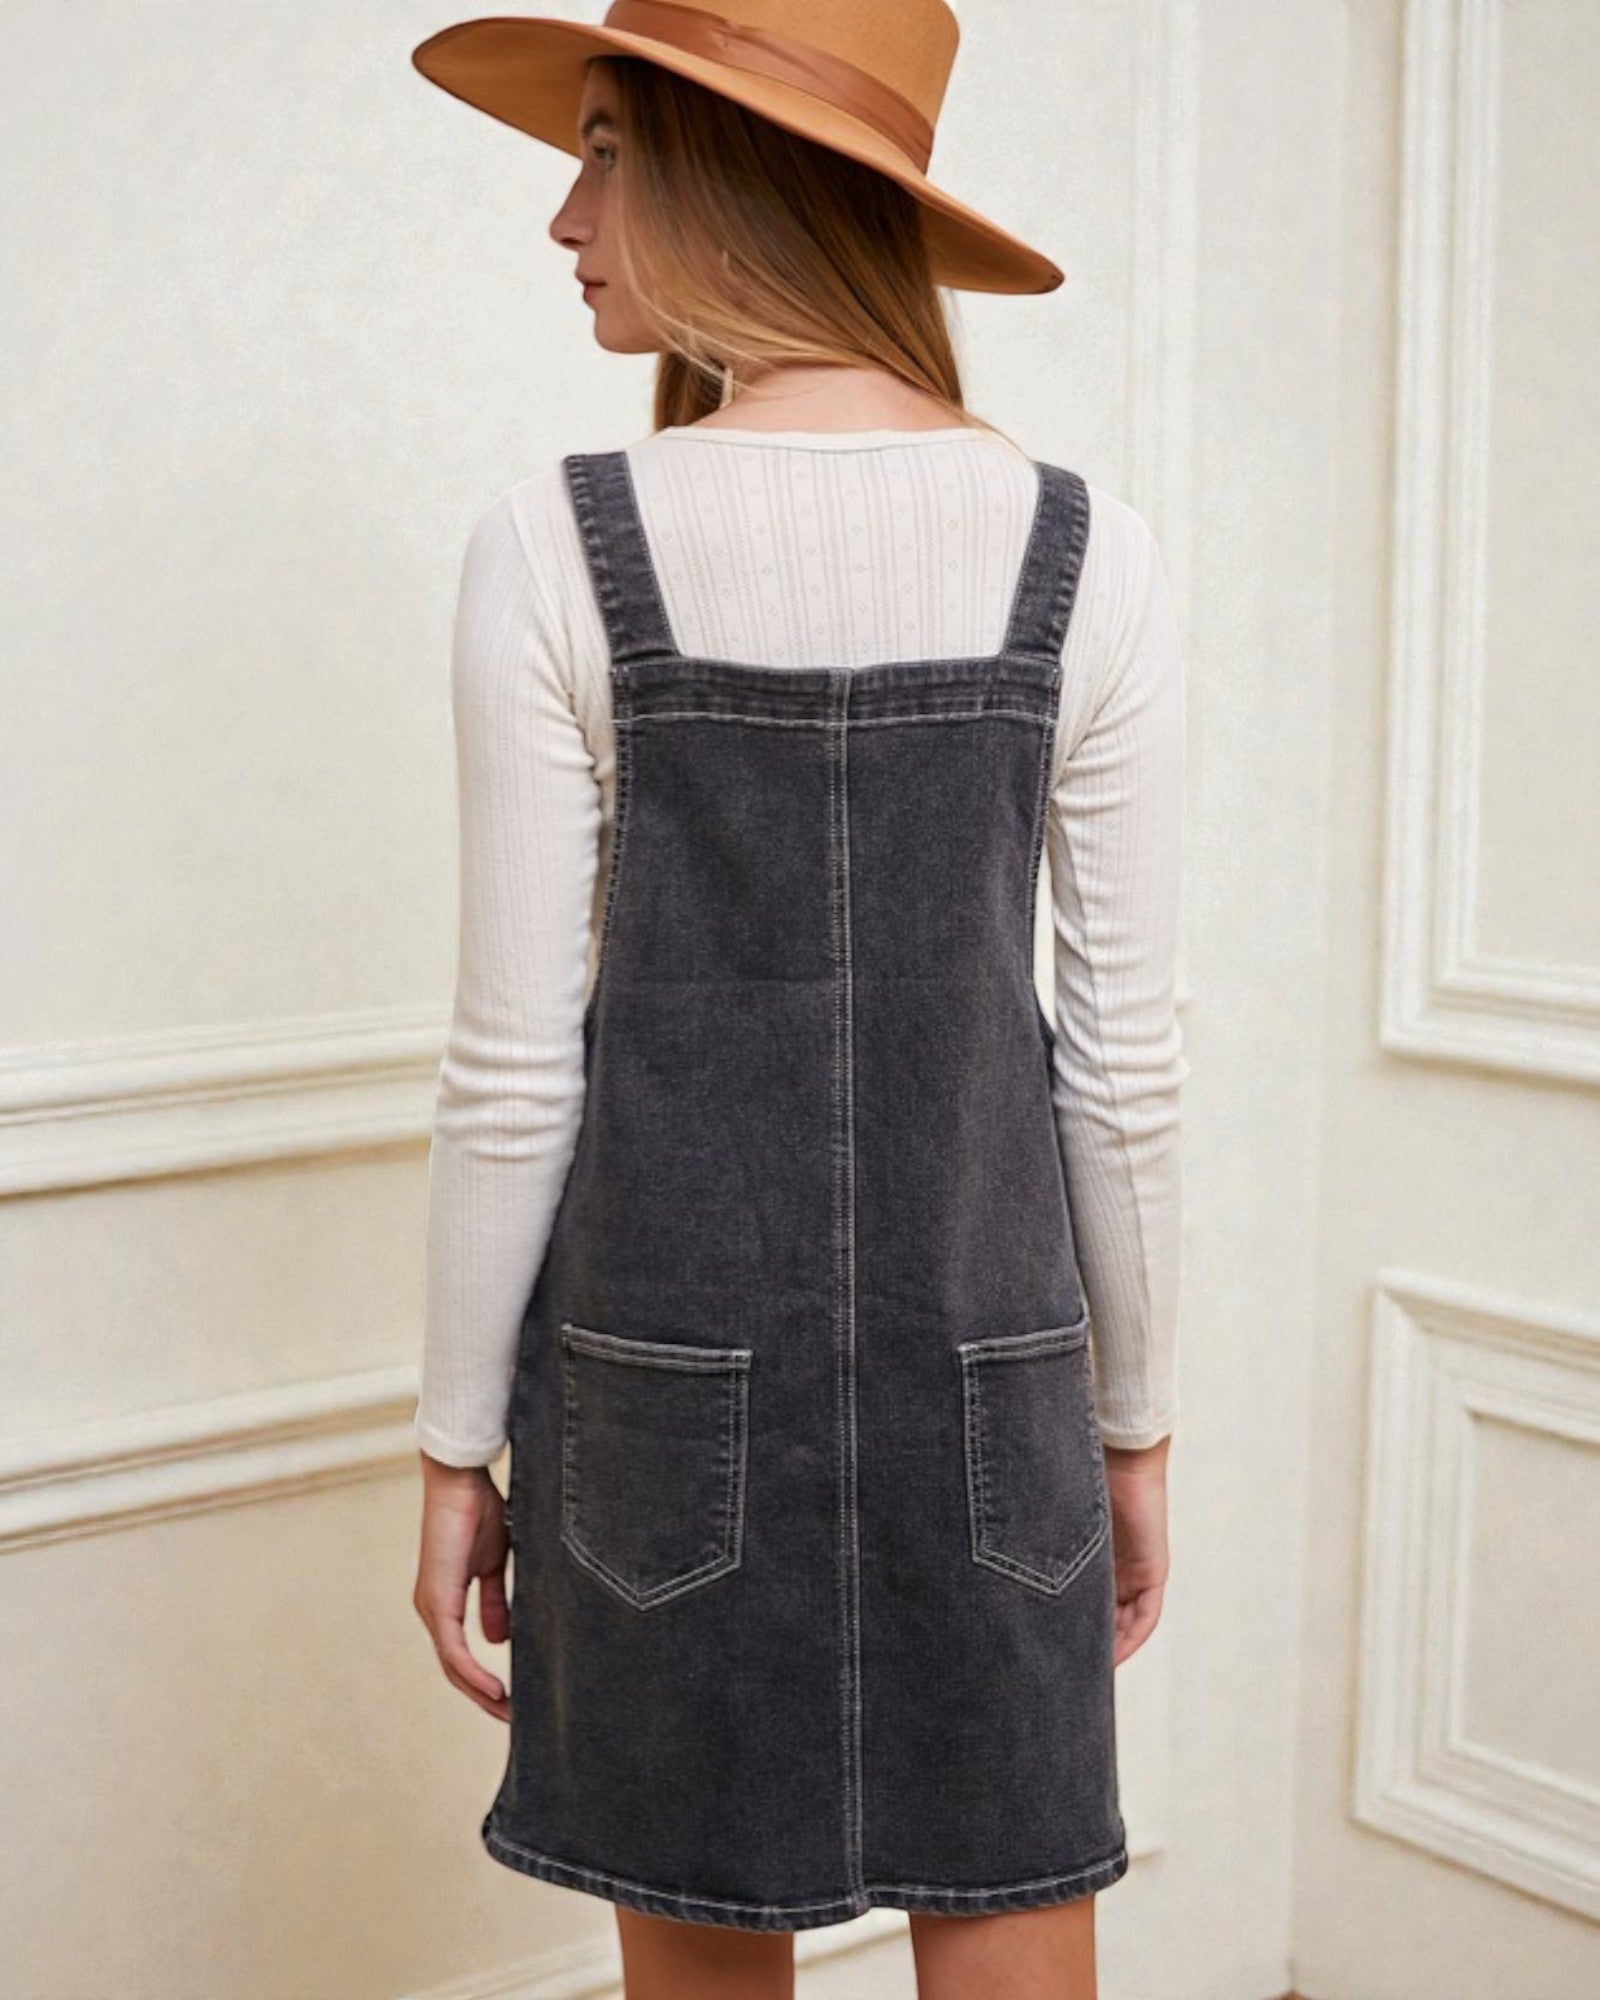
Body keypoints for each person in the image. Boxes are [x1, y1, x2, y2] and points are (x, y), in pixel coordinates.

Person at [408, 5, 1187, 1995]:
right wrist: (1133, 1423)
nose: (560, 218)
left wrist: (446, 1447)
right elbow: (1121, 1074)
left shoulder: (555, 548)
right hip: (987, 1386)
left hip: (653, 1400)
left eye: (598, 151)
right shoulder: (1084, 555)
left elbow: (512, 1078)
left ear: (726, 168)